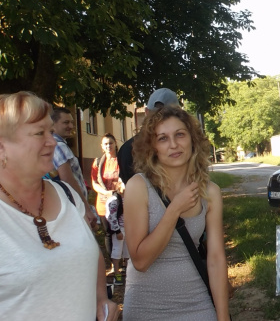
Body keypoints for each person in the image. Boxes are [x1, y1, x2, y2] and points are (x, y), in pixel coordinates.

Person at [0, 92, 119, 320]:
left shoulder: (67, 195)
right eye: (39, 133)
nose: (51, 141)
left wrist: (100, 299)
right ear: (0, 146)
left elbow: (89, 254)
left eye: (50, 131)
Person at [123, 105, 229, 320]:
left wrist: (223, 315)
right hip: (146, 305)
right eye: (162, 138)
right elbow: (140, 261)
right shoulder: (138, 187)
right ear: (153, 147)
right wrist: (174, 210)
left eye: (179, 135)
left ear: (192, 139)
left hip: (197, 302)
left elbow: (216, 259)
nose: (173, 145)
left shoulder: (210, 193)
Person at [118, 88, 180, 184]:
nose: (162, 120)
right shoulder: (182, 145)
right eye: (157, 114)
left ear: (146, 112)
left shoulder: (126, 149)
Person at [51, 106, 97, 227]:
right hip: (73, 207)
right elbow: (68, 179)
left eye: (71, 122)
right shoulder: (59, 146)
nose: (71, 126)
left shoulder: (56, 145)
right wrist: (86, 208)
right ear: (53, 124)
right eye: (65, 122)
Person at [91, 133, 121, 261]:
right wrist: (106, 193)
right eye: (106, 144)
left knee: (122, 231)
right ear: (102, 146)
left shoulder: (120, 159)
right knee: (109, 233)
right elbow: (94, 183)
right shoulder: (98, 162)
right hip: (103, 202)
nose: (109, 146)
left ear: (115, 144)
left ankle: (123, 260)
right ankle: (113, 264)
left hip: (121, 201)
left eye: (111, 143)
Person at [106, 181, 128, 286]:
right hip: (120, 229)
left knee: (127, 253)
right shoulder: (115, 200)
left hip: (129, 229)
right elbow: (112, 217)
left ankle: (128, 275)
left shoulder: (129, 197)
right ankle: (117, 275)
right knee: (117, 253)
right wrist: (117, 231)